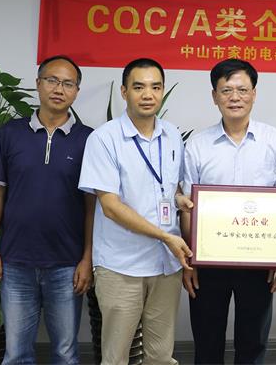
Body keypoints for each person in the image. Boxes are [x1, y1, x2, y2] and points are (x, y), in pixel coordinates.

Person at [78, 58, 192, 365]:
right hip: (121, 266)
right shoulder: (104, 139)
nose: (148, 95)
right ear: (124, 92)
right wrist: (165, 237)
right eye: (139, 87)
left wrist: (179, 200)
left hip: (165, 266)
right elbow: (111, 206)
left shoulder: (171, 135)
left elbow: (170, 188)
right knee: (116, 357)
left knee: (160, 355)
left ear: (162, 91)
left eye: (155, 87)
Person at [0, 55, 94, 364]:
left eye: (68, 83)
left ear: (76, 91)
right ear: (38, 83)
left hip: (67, 264)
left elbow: (92, 205)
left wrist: (87, 258)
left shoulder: (89, 139)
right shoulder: (10, 133)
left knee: (65, 353)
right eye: (52, 80)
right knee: (16, 353)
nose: (59, 89)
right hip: (16, 261)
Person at [180, 58, 276, 364]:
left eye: (242, 90)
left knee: (253, 342)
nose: (235, 97)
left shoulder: (274, 141)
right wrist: (190, 261)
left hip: (258, 259)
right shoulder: (198, 145)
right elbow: (188, 207)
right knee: (207, 341)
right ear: (214, 96)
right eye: (226, 90)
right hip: (208, 261)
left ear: (254, 94)